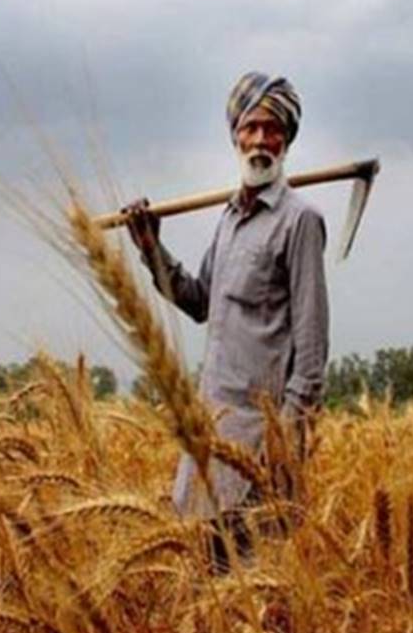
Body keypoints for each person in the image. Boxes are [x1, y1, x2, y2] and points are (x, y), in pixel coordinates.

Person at [122, 71, 330, 572]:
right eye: (251, 127)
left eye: (272, 128)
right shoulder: (229, 220)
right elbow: (199, 302)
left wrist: (283, 448)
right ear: (235, 135)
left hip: (258, 450)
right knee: (201, 586)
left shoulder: (299, 221)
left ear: (288, 139)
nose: (260, 139)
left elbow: (312, 353)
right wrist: (151, 247)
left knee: (252, 598)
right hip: (208, 440)